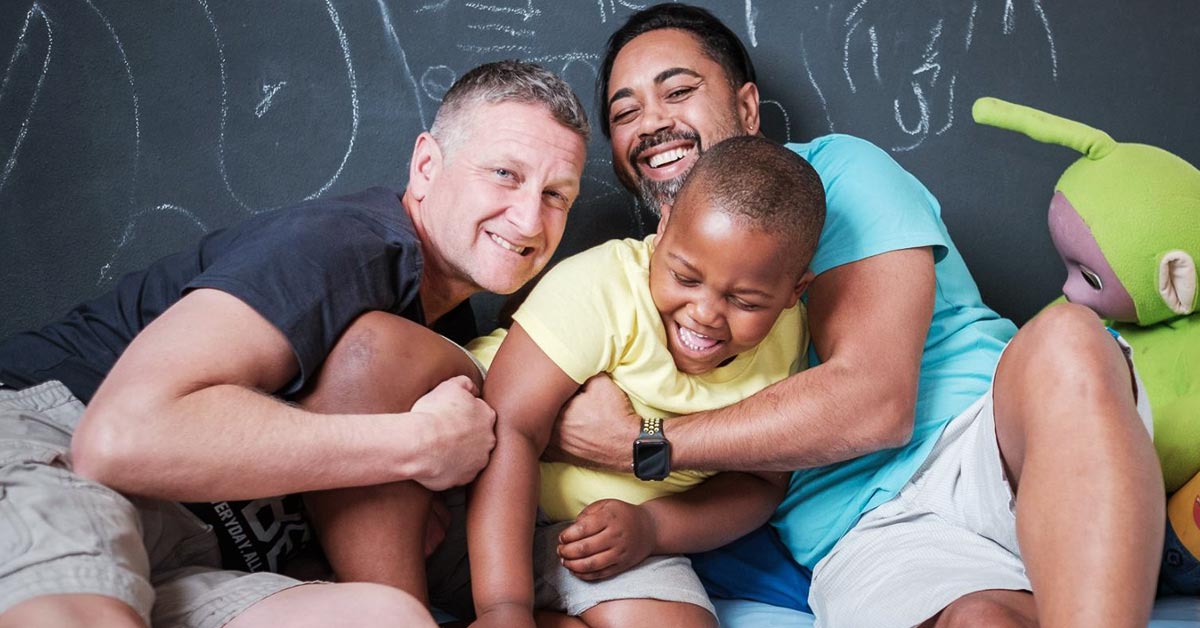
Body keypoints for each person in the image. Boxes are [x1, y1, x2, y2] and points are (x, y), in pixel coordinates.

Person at [542, 4, 1164, 627]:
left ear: (748, 108)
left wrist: (643, 445)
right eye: (625, 113)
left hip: (987, 443)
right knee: (980, 621)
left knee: (1069, 338)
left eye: (678, 91)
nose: (653, 123)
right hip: (866, 532)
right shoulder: (625, 281)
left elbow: (876, 403)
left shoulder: (842, 171)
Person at [0, 60, 588, 628]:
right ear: (427, 167)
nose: (531, 220)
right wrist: (416, 443)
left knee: (387, 618)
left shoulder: (446, 332)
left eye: (557, 195)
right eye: (505, 174)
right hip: (58, 448)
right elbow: (117, 440)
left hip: (200, 558)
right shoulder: (345, 244)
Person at [466, 136, 826, 628]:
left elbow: (759, 483)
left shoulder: (789, 342)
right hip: (482, 502)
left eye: (745, 302)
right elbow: (511, 426)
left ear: (793, 291)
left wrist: (652, 527)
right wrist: (503, 608)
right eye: (685, 276)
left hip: (603, 539)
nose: (704, 315)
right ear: (664, 225)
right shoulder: (602, 286)